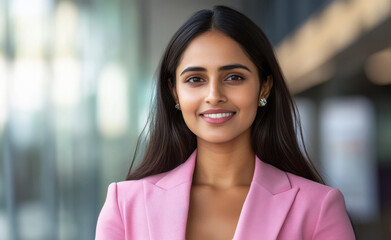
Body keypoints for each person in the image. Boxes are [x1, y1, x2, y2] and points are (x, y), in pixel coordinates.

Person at [95, 5, 355, 240]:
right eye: (195, 79)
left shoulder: (318, 207)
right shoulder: (124, 205)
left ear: (264, 87)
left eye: (233, 77)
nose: (214, 96)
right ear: (174, 92)